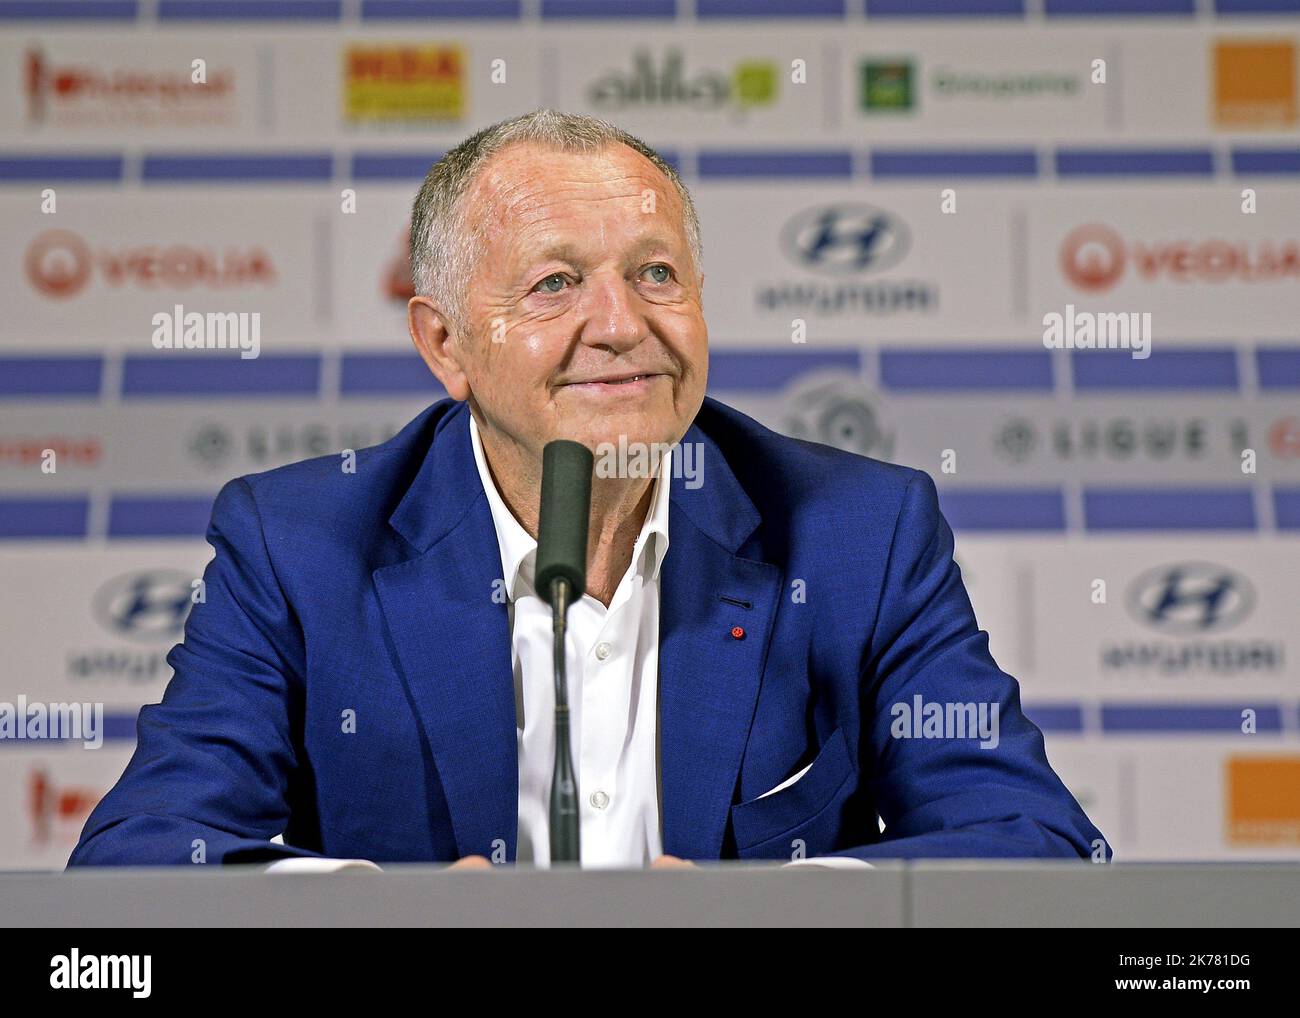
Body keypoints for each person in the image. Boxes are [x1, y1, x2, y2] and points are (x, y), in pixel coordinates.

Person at [69, 110, 1107, 870]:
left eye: (656, 274)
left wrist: (768, 916)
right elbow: (147, 859)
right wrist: (380, 914)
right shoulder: (303, 546)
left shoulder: (856, 533)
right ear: (445, 343)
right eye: (555, 283)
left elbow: (1030, 841)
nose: (621, 324)